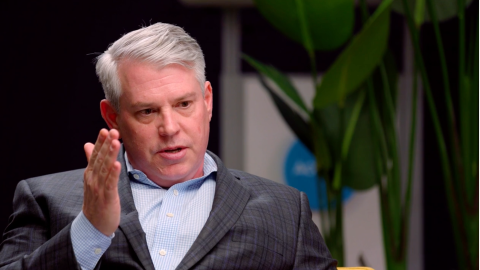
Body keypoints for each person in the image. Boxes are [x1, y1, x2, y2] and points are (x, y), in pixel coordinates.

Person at [0, 23, 337, 270]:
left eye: (184, 104)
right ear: (112, 116)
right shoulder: (46, 198)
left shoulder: (285, 212)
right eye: (147, 111)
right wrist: (90, 230)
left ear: (207, 100)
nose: (170, 128)